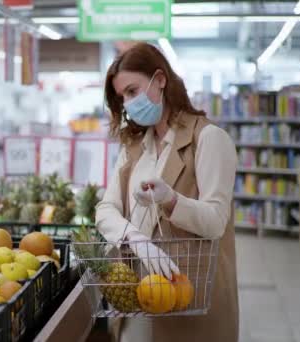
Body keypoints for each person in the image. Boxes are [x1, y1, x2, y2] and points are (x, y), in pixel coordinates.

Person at [95, 42, 239, 342]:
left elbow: (215, 221)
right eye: (123, 97)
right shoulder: (133, 147)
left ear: (160, 80)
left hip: (190, 299)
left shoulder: (208, 139)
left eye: (133, 91)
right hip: (139, 296)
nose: (128, 104)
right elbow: (105, 209)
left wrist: (172, 200)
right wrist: (134, 239)